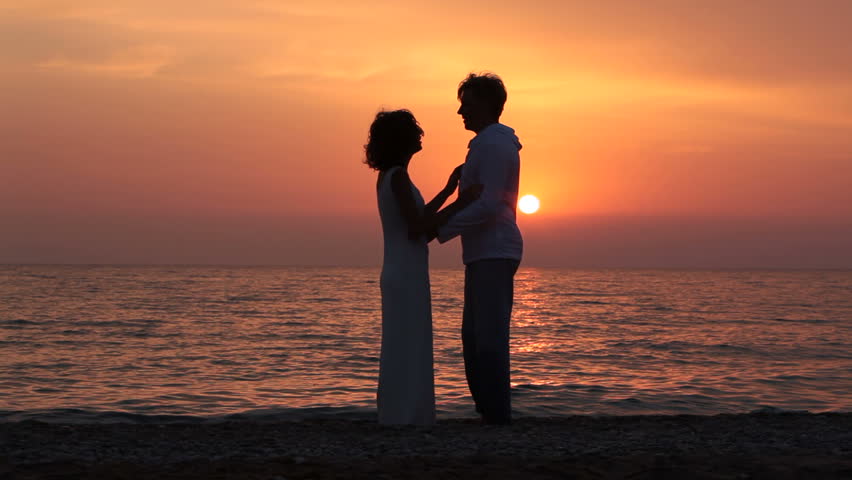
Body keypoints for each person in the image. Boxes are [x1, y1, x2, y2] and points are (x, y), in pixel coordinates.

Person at [365, 109, 481, 425]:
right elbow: (418, 228)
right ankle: (406, 415)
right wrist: (463, 202)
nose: (419, 136)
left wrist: (447, 191)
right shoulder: (398, 177)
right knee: (408, 342)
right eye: (414, 132)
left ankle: (401, 413)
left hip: (403, 269)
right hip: (405, 272)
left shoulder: (390, 177)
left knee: (405, 342)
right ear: (402, 140)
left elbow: (418, 223)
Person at [433, 72, 523, 425]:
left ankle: (497, 415)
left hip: (495, 250)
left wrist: (438, 230)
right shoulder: (487, 144)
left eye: (466, 105)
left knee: (488, 339)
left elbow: (487, 204)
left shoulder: (494, 144)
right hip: (482, 252)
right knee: (473, 337)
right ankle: (488, 410)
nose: (460, 112)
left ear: (486, 105)